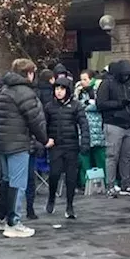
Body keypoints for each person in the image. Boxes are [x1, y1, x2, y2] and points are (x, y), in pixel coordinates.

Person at [0, 59, 47, 238]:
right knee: (18, 183)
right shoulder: (25, 92)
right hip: (18, 143)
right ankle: (13, 222)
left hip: (3, 141)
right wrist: (44, 139)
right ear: (29, 73)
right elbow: (35, 120)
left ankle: (0, 216)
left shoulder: (6, 89)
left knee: (7, 180)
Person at [44, 75, 90, 218]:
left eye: (62, 89)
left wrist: (85, 143)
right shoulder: (49, 106)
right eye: (57, 89)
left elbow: (83, 124)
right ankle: (51, 197)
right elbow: (43, 126)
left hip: (71, 146)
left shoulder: (76, 105)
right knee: (54, 174)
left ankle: (70, 205)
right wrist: (44, 140)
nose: (59, 92)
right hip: (55, 146)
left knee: (71, 178)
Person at [95, 60, 130, 196]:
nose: (126, 77)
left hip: (129, 123)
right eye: (124, 75)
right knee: (112, 156)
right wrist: (120, 104)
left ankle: (125, 182)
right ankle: (110, 185)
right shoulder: (107, 83)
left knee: (127, 156)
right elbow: (100, 104)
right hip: (113, 123)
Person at [77, 70, 107, 190]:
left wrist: (88, 104)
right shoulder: (78, 91)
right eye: (81, 79)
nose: (82, 82)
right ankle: (86, 183)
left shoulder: (99, 90)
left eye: (85, 79)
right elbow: (78, 105)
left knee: (101, 158)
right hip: (83, 129)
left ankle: (103, 183)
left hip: (98, 129)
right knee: (84, 157)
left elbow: (99, 105)